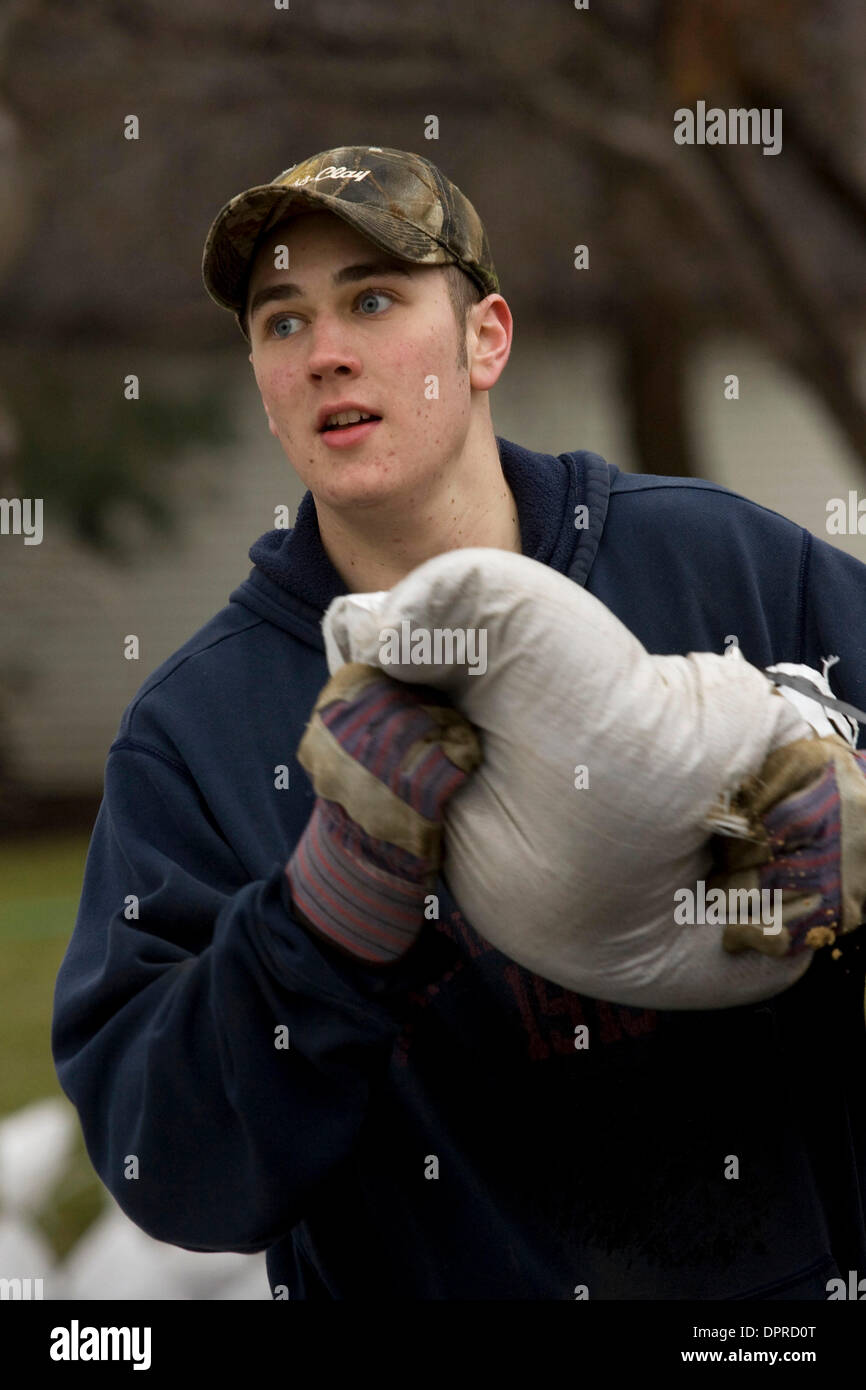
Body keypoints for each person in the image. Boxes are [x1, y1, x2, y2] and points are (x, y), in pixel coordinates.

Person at [52, 144, 866, 1300]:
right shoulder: (195, 733)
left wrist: (850, 828)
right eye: (281, 322)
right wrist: (326, 921)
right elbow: (171, 1167)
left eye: (372, 300)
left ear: (484, 337)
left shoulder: (720, 565)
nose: (325, 350)